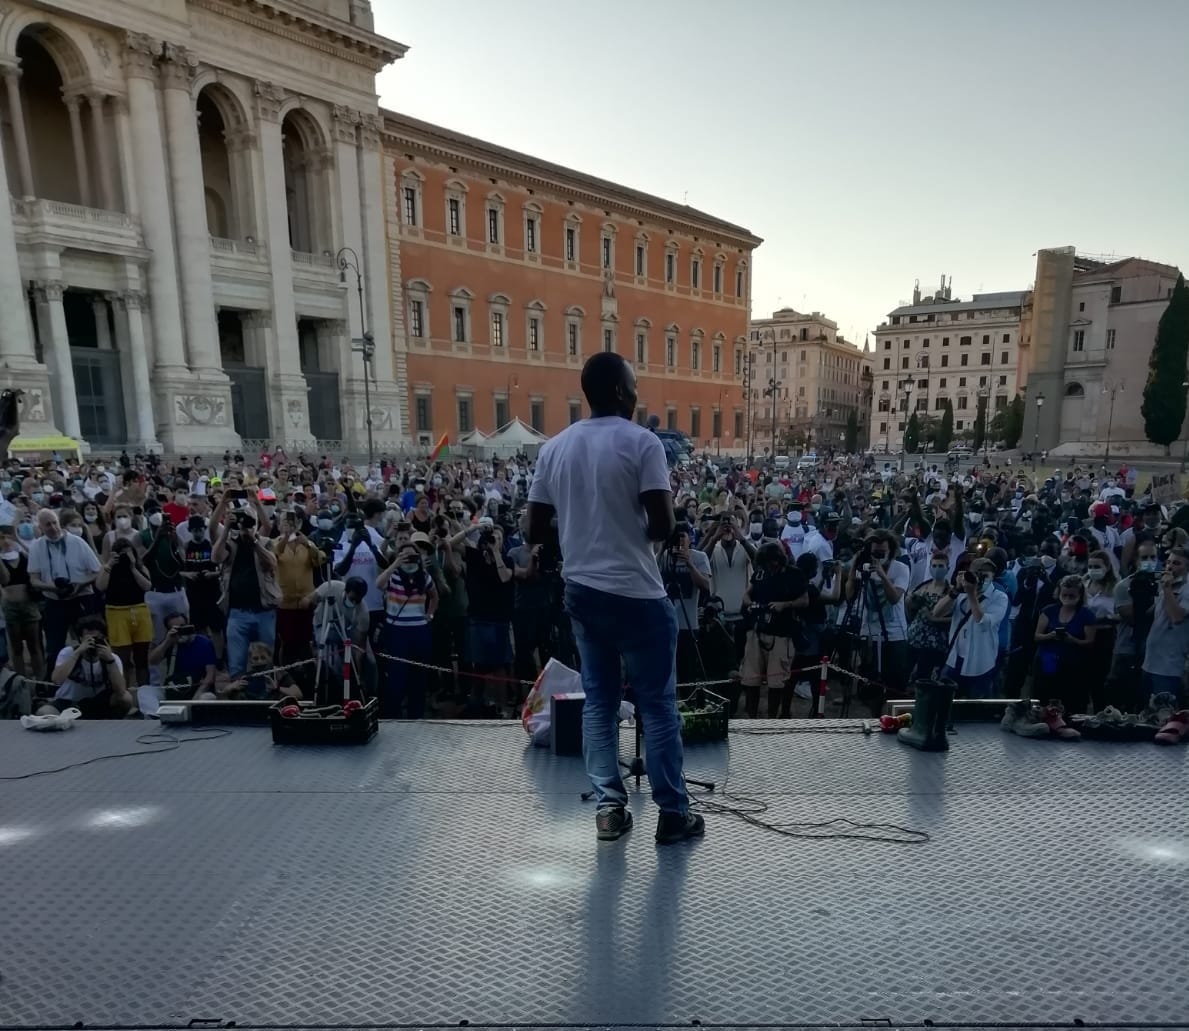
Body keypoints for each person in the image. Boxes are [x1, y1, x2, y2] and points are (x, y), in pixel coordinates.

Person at [527, 351, 703, 845]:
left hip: (583, 592)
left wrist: (581, 529)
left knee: (599, 703)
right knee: (658, 706)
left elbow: (534, 528)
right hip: (637, 594)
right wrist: (627, 529)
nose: (637, 392)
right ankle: (673, 814)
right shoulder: (642, 442)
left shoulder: (554, 448)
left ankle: (609, 809)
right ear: (623, 392)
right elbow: (663, 525)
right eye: (635, 384)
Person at [27, 507, 101, 678]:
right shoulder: (37, 546)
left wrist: (80, 585)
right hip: (54, 601)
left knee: (89, 641)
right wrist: (53, 587)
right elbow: (34, 580)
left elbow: (97, 571)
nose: (53, 527)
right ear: (40, 527)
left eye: (55, 523)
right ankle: (54, 683)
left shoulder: (77, 542)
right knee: (54, 646)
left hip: (81, 598)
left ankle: (93, 678)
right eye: (47, 525)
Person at [740, 542, 807, 718]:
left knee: (776, 682)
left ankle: (771, 720)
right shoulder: (760, 573)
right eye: (767, 563)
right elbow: (746, 594)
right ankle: (752, 720)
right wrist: (751, 604)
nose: (771, 566)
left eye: (773, 562)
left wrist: (785, 605)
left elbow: (804, 600)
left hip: (781, 635)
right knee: (751, 680)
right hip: (756, 632)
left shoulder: (794, 574)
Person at [212, 508, 281, 678]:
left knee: (265, 660)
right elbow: (216, 557)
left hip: (264, 612)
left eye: (250, 523)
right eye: (243, 523)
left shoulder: (265, 542)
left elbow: (272, 563)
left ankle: (266, 690)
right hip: (237, 613)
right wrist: (226, 529)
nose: (246, 527)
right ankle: (239, 692)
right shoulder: (231, 543)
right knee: (237, 663)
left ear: (256, 524)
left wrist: (254, 541)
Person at [376, 540, 437, 717]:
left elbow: (434, 596)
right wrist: (396, 563)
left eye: (412, 555)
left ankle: (416, 714)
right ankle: (394, 715)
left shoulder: (424, 576)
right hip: (397, 631)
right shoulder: (393, 575)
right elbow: (379, 584)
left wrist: (430, 615)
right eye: (405, 555)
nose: (408, 559)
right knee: (396, 675)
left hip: (419, 630)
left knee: (418, 674)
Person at [931, 557, 1008, 698]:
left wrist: (972, 594)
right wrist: (955, 591)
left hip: (980, 663)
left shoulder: (999, 597)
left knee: (974, 706)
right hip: (954, 659)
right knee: (945, 702)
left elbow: (982, 621)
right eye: (976, 575)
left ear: (993, 577)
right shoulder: (961, 594)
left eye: (985, 576)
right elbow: (937, 612)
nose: (980, 580)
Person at [96, 536, 154, 695]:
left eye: (127, 554)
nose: (124, 558)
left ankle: (144, 694)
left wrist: (133, 566)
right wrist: (109, 564)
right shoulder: (108, 568)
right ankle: (124, 693)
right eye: (121, 554)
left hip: (139, 612)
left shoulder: (140, 567)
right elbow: (100, 586)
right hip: (117, 613)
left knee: (142, 659)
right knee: (122, 659)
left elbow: (147, 586)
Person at [1033, 574, 1098, 713]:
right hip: (1049, 660)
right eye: (1064, 595)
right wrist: (1050, 636)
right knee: (1046, 695)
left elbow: (1090, 642)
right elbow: (1037, 636)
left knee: (1072, 700)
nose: (1067, 598)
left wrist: (1073, 640)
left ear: (1080, 596)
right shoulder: (1049, 611)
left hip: (1074, 663)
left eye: (1072, 596)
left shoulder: (1086, 615)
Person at [49, 614, 132, 718]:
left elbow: (121, 691)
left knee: (126, 698)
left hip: (97, 703)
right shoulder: (68, 653)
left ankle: (111, 722)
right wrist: (78, 652)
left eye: (97, 638)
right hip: (68, 702)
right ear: (80, 638)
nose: (93, 642)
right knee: (44, 712)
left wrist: (110, 661)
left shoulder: (112, 658)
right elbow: (56, 680)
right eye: (88, 639)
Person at [1140, 546, 1189, 702]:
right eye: (1168, 562)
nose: (1170, 567)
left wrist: (1167, 588)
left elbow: (1176, 617)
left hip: (1169, 666)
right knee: (1147, 711)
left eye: (1176, 563)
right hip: (1150, 661)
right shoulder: (1167, 585)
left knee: (1163, 711)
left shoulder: (1186, 589)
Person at [0, 523, 42, 678]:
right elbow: (5, 579)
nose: (6, 541)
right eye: (2, 538)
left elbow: (36, 560)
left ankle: (40, 680)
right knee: (16, 647)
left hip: (29, 604)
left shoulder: (24, 556)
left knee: (34, 645)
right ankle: (20, 680)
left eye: (8, 537)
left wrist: (19, 540)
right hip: (10, 606)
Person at [149, 611, 217, 700]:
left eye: (183, 626)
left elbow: (210, 676)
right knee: (145, 691)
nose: (181, 631)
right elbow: (152, 661)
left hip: (198, 689)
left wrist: (196, 698)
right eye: (177, 628)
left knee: (207, 698)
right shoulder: (171, 642)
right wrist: (167, 642)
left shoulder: (204, 643)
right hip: (175, 688)